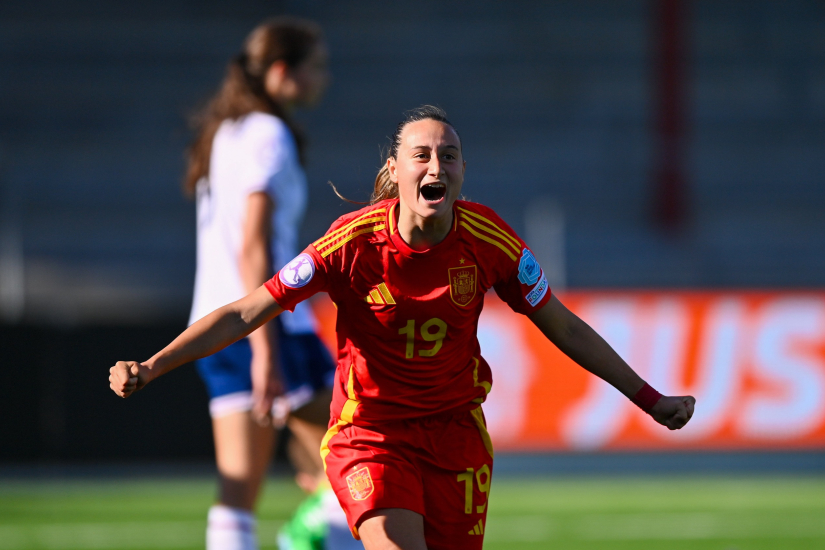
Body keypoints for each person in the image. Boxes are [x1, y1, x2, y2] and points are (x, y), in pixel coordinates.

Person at [112, 105, 696, 550]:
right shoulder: (351, 243)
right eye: (422, 154)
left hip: (456, 436)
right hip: (371, 433)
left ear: (463, 170)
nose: (436, 165)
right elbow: (245, 312)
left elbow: (564, 328)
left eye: (449, 155)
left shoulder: (492, 242)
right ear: (395, 170)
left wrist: (648, 399)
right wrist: (152, 365)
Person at [181, 17, 354, 550]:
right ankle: (309, 538)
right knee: (356, 458)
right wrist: (266, 348)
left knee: (238, 489)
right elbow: (252, 243)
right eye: (315, 67)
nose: (323, 78)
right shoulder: (267, 134)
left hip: (213, 325)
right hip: (268, 324)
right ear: (282, 72)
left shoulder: (226, 132)